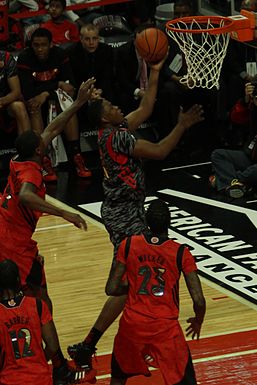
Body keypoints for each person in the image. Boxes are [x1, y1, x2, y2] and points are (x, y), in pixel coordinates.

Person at [67, 55, 204, 369]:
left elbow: (146, 108)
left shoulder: (113, 131)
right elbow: (159, 151)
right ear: (104, 119)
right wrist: (181, 126)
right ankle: (97, 343)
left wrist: (154, 73)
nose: (117, 108)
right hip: (123, 212)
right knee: (133, 281)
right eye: (111, 108)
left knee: (135, 283)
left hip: (125, 209)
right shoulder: (117, 136)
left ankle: (94, 344)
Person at [0, 79, 94, 314]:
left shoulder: (19, 158)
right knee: (37, 293)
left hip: (5, 226)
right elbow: (25, 196)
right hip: (13, 242)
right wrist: (64, 212)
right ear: (40, 151)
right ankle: (49, 346)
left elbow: (54, 127)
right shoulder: (31, 171)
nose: (45, 137)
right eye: (41, 141)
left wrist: (79, 102)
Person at [105, 199, 206, 385]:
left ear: (146, 220)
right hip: (164, 329)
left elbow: (111, 288)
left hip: (132, 325)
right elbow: (198, 300)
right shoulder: (180, 252)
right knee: (185, 380)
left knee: (118, 378)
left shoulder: (128, 245)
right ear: (169, 222)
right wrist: (198, 320)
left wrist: (134, 287)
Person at [0, 259, 96, 385]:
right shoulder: (37, 305)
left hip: (9, 380)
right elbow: (52, 346)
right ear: (18, 280)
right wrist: (38, 361)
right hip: (40, 378)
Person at [17, 27, 91, 181]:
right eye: (36, 45)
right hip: (36, 103)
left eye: (43, 45)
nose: (40, 49)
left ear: (51, 44)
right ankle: (43, 160)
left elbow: (70, 87)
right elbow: (28, 91)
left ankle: (76, 156)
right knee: (34, 105)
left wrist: (46, 92)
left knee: (68, 104)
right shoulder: (25, 58)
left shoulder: (60, 54)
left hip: (55, 99)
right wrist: (57, 84)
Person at [210, 81, 257, 198]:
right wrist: (245, 101)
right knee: (218, 155)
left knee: (253, 171)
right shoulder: (254, 106)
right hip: (250, 156)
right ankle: (238, 184)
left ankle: (225, 181)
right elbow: (236, 118)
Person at [0, 50, 31, 135]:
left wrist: (2, 101)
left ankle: (27, 145)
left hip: (5, 102)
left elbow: (16, 92)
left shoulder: (5, 58)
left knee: (19, 106)